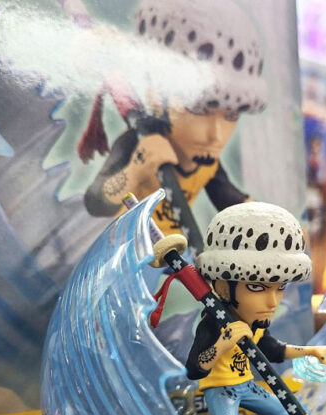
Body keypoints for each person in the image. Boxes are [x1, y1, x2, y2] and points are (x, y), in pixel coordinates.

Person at [78, 0, 267, 253]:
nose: (216, 135)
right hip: (129, 253)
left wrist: (269, 224)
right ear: (156, 93)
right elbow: (97, 201)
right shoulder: (136, 141)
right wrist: (138, 166)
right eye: (199, 109)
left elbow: (229, 199)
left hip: (175, 258)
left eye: (231, 115)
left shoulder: (207, 162)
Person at [185, 203, 326, 415]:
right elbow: (195, 369)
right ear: (222, 286)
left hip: (245, 385)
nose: (272, 302)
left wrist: (312, 351)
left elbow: (272, 349)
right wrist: (223, 343)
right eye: (257, 287)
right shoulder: (214, 324)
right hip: (221, 389)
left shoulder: (256, 322)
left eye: (279, 287)